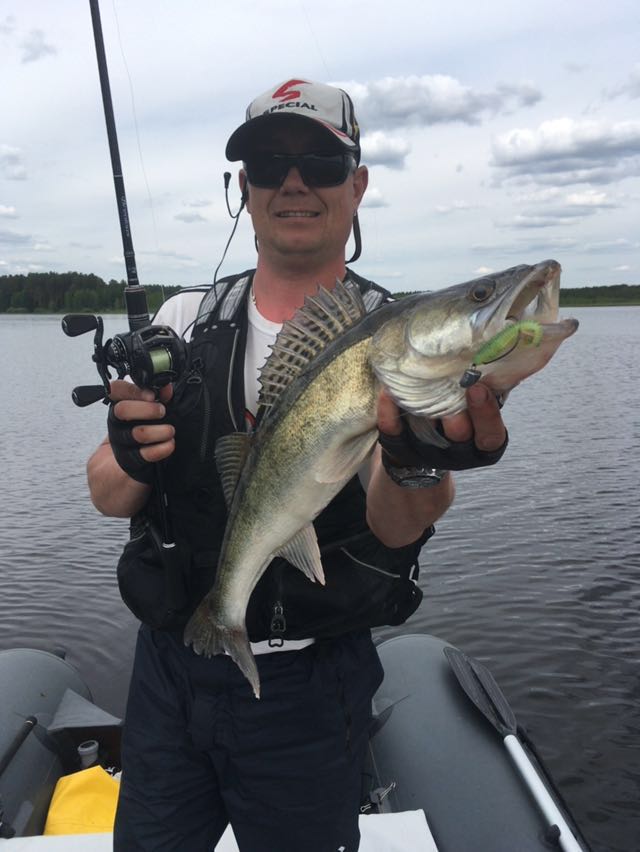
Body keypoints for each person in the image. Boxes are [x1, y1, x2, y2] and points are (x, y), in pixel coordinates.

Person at [87, 78, 508, 852]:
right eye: (267, 164)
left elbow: (396, 524)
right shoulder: (184, 321)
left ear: (358, 184)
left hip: (310, 691)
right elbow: (109, 496)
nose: (293, 183)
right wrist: (127, 448)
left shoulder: (393, 337)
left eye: (319, 162)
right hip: (168, 674)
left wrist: (416, 461)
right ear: (242, 189)